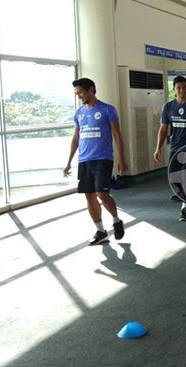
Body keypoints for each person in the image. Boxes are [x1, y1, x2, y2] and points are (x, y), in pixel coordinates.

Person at [64, 78, 128, 246]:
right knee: (89, 195)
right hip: (84, 160)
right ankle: (100, 231)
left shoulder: (107, 110)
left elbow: (117, 135)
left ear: (91, 89)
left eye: (81, 92)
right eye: (77, 93)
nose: (79, 96)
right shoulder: (79, 113)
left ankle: (116, 219)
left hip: (103, 158)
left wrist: (122, 159)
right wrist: (69, 161)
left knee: (102, 193)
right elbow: (76, 137)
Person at [154, 76, 186, 222]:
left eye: (184, 88)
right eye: (179, 88)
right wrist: (158, 148)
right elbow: (163, 129)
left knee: (185, 177)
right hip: (175, 148)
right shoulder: (168, 107)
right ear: (174, 89)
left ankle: (184, 208)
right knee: (172, 177)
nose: (182, 91)